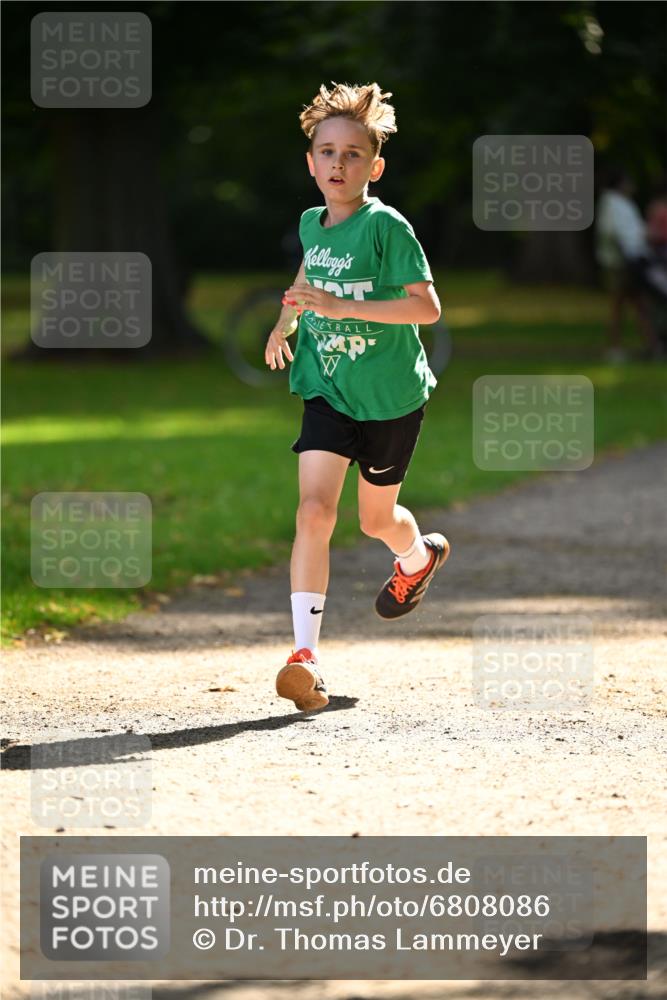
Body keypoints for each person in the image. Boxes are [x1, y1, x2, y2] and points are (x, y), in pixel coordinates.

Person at [264, 82, 450, 712]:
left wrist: (346, 305)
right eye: (326, 152)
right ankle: (305, 656)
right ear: (311, 162)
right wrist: (285, 322)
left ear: (375, 166)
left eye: (352, 154)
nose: (338, 164)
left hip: (391, 397)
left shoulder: (386, 226)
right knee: (314, 511)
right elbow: (307, 276)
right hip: (328, 389)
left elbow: (426, 307)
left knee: (377, 520)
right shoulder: (310, 223)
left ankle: (417, 555)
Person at [595, 168, 662, 362]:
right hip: (621, 263)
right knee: (622, 304)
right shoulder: (612, 204)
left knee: (637, 304)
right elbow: (614, 232)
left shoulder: (621, 204)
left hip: (630, 260)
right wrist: (641, 238)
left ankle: (652, 345)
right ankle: (618, 348)